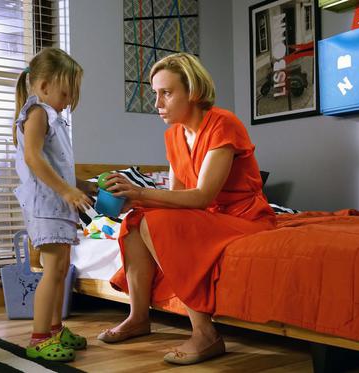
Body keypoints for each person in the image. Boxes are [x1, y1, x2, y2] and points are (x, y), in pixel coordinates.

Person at [97, 53, 277, 365]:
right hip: (208, 217)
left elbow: (202, 196)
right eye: (155, 94)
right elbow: (175, 198)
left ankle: (205, 334)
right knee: (138, 220)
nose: (157, 103)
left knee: (158, 225)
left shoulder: (223, 124)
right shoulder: (174, 135)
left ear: (192, 91)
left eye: (166, 93)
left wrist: (140, 190)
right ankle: (138, 317)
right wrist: (135, 200)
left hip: (244, 218)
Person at [12, 47, 94, 362]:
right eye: (66, 93)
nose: (70, 100)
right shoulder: (37, 113)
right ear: (44, 86)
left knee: (60, 270)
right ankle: (38, 337)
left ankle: (56, 329)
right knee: (52, 271)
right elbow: (33, 158)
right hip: (47, 204)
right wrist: (65, 191)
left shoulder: (54, 118)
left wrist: (80, 186)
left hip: (58, 203)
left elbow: (55, 164)